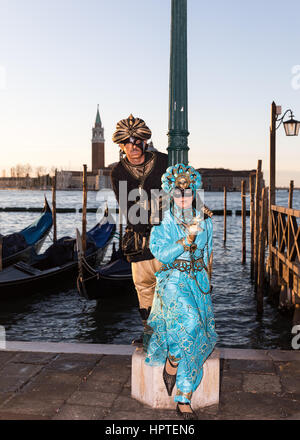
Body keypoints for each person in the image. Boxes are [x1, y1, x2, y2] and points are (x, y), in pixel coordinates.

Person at [145, 163, 218, 420]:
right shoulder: (163, 221)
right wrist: (184, 241)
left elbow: (208, 253)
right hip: (174, 279)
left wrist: (206, 280)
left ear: (194, 192)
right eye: (178, 193)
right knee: (191, 323)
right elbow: (161, 254)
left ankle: (175, 365)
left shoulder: (204, 220)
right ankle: (182, 395)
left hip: (197, 280)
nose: (184, 198)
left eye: (188, 193)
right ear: (171, 194)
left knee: (198, 334)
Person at [110, 114, 168, 345]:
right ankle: (151, 335)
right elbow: (128, 207)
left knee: (171, 287)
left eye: (137, 142)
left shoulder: (164, 161)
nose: (133, 147)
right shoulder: (118, 173)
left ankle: (173, 335)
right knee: (144, 287)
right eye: (128, 143)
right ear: (121, 146)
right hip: (140, 240)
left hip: (167, 237)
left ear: (144, 142)